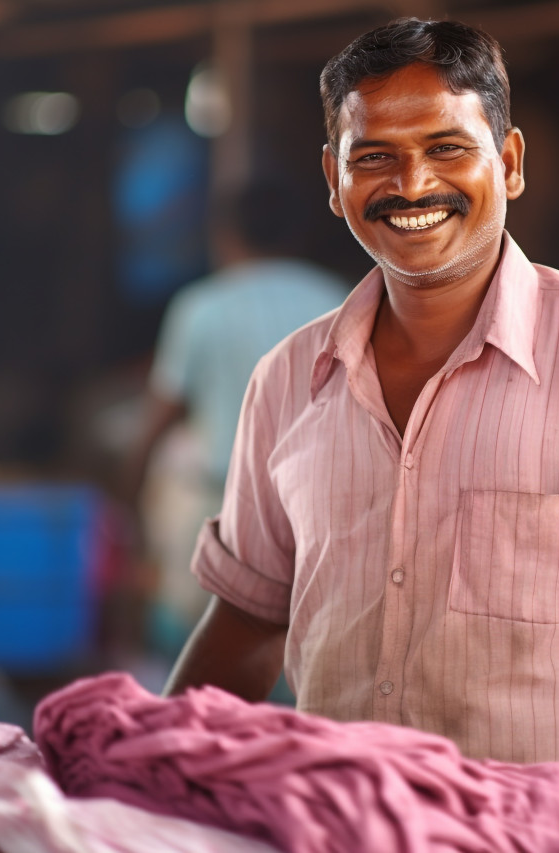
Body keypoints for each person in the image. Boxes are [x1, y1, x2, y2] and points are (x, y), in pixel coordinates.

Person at [163, 18, 559, 853]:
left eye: (447, 147)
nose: (412, 182)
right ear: (333, 176)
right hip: (354, 832)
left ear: (512, 162)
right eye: (374, 155)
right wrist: (139, 768)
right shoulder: (286, 380)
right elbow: (247, 622)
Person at [120, 181, 348, 650]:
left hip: (220, 514)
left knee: (200, 669)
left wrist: (128, 494)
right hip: (318, 517)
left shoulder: (202, 308)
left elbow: (158, 420)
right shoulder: (342, 301)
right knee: (301, 675)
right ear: (299, 236)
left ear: (226, 235)